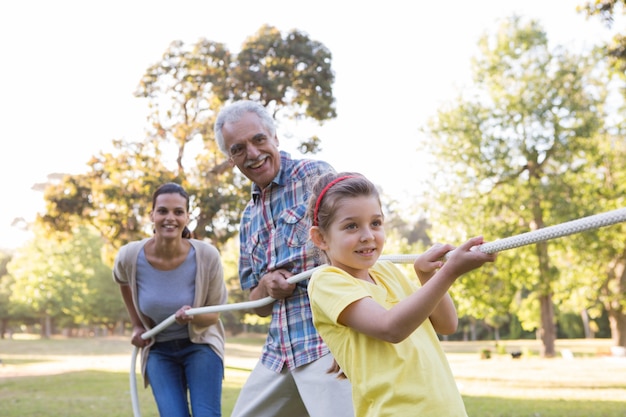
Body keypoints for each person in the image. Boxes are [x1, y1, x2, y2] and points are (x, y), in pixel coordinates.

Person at [306, 172, 498, 417]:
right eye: (351, 226)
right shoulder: (326, 282)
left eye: (375, 223)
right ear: (320, 238)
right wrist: (449, 272)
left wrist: (427, 275)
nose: (368, 235)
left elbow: (447, 324)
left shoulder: (387, 271)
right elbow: (391, 328)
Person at [213, 100, 354, 417]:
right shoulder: (248, 217)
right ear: (230, 157)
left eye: (259, 139)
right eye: (238, 148)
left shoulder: (314, 176)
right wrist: (266, 285)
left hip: (326, 342)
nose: (252, 153)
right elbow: (258, 304)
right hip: (279, 352)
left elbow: (356, 252)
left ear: (274, 137)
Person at [113, 182, 228, 417]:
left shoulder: (207, 256)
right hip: (159, 351)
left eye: (178, 212)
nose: (170, 218)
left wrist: (191, 316)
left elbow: (213, 316)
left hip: (200, 345)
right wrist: (136, 324)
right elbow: (122, 280)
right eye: (163, 211)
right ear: (152, 215)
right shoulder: (130, 256)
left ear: (187, 217)